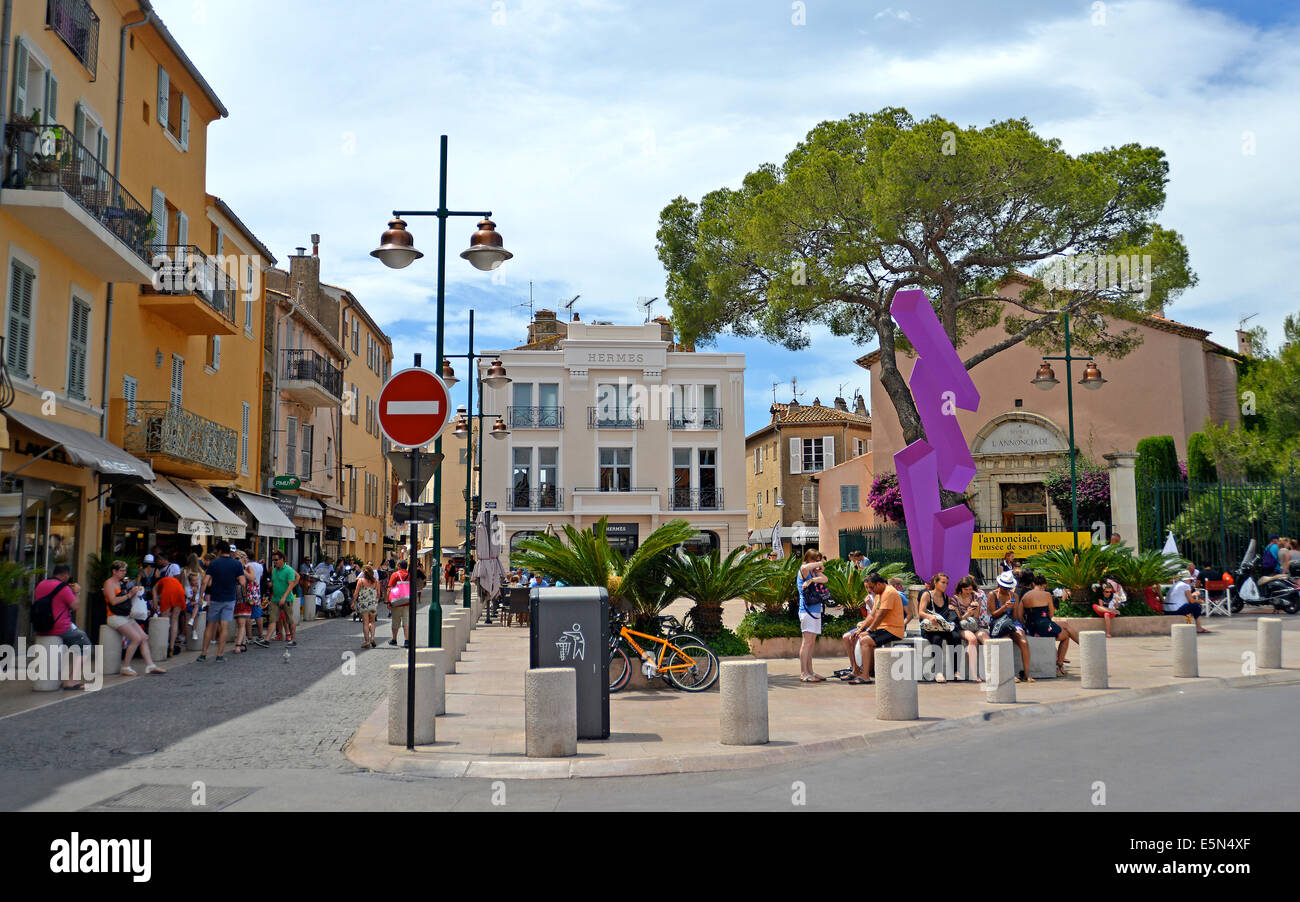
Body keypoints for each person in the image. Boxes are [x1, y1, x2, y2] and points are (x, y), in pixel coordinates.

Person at [34, 565, 93, 689]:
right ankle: (72, 681)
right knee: (85, 644)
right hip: (59, 627)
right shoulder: (63, 588)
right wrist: (77, 592)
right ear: (65, 575)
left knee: (69, 645)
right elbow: (75, 606)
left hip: (41, 627)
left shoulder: (40, 585)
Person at [102, 561, 165, 676]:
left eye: (124, 570)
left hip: (125, 615)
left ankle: (150, 665)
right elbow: (113, 601)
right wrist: (129, 595)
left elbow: (125, 599)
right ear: (114, 571)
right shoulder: (109, 583)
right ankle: (126, 666)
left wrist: (134, 594)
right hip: (114, 616)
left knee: (144, 637)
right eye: (121, 570)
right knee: (136, 638)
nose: (124, 573)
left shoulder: (122, 583)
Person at [1022, 572, 1078, 677]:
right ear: (1044, 585)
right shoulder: (1047, 595)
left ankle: (1082, 645)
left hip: (1031, 627)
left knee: (1065, 625)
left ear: (1034, 584)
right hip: (1043, 626)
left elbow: (1019, 615)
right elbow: (1051, 614)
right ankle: (1060, 665)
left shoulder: (1025, 596)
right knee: (1066, 636)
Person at [853, 572, 906, 682]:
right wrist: (860, 629)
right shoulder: (879, 593)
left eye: (871, 587)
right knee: (856, 636)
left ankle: (865, 675)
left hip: (893, 629)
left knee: (865, 641)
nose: (870, 590)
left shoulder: (889, 592)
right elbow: (872, 615)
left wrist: (869, 630)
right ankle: (860, 670)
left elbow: (881, 615)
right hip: (884, 628)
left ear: (879, 584)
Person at [198, 545, 246, 663]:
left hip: (215, 598)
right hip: (230, 598)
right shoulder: (236, 564)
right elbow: (243, 581)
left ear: (219, 551)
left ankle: (203, 654)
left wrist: (200, 596)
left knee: (210, 625)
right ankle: (219, 655)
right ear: (229, 552)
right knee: (224, 627)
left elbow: (205, 581)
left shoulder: (214, 563)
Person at [988, 571, 1032, 683]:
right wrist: (1004, 607)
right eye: (1004, 587)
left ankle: (1026, 674)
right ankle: (1009, 675)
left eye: (1008, 588)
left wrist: (1013, 607)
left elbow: (1015, 616)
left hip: (1011, 622)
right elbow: (993, 614)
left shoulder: (1014, 596)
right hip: (998, 622)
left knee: (1024, 642)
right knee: (1006, 640)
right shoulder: (992, 595)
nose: (1006, 590)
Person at [917, 572, 961, 682]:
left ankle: (956, 671)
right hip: (930, 628)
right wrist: (930, 616)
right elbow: (920, 612)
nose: (945, 585)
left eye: (946, 583)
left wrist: (952, 609)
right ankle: (938, 672)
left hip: (943, 627)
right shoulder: (927, 595)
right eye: (943, 582)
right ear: (935, 583)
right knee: (937, 640)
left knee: (956, 637)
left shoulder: (946, 597)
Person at [796, 549, 829, 682]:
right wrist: (818, 564)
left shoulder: (812, 572)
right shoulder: (803, 569)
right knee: (806, 642)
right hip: (806, 611)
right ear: (809, 558)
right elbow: (806, 566)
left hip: (815, 610)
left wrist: (812, 579)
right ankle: (804, 673)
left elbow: (825, 579)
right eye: (815, 559)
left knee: (811, 643)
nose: (817, 562)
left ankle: (811, 671)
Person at [954, 576, 988, 683]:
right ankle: (973, 674)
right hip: (962, 626)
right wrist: (967, 613)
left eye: (970, 589)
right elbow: (957, 619)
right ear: (961, 589)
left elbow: (976, 618)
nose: (968, 592)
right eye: (966, 589)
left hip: (974, 625)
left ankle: (992, 671)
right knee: (972, 639)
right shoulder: (955, 599)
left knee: (987, 640)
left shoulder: (975, 597)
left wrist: (976, 608)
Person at [152, 564, 187, 658]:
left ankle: (163, 645)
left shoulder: (157, 584)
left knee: (165, 620)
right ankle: (171, 647)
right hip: (180, 591)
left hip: (169, 591)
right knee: (174, 620)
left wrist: (155, 605)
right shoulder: (168, 579)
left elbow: (155, 597)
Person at [266, 550, 299, 646]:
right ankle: (267, 640)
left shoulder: (288, 570)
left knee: (289, 620)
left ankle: (293, 639)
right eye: (273, 560)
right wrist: (270, 584)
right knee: (272, 619)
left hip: (287, 599)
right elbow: (274, 581)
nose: (275, 562)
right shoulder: (274, 570)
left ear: (282, 560)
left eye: (276, 560)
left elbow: (290, 585)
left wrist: (284, 597)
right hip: (275, 598)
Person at [1164, 569, 1211, 633]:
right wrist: (1200, 601)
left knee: (1188, 606)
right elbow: (1191, 601)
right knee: (1196, 606)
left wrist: (1192, 595)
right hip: (1175, 610)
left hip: (1167, 610)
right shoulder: (1185, 585)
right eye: (1190, 580)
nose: (1190, 581)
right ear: (1186, 579)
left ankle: (1188, 623)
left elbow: (1182, 598)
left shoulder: (1175, 585)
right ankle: (1198, 627)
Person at [388, 559, 414, 648]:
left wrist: (388, 601)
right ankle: (406, 640)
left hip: (397, 601)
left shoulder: (395, 574)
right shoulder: (410, 575)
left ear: (398, 565)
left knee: (395, 621)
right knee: (406, 621)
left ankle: (394, 639)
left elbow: (390, 588)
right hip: (407, 601)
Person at [355, 563, 381, 649]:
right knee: (372, 622)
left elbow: (356, 593)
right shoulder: (376, 581)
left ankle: (367, 641)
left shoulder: (361, 581)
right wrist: (376, 601)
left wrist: (353, 602)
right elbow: (378, 593)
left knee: (365, 623)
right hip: (373, 603)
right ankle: (372, 638)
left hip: (363, 603)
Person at [183, 553, 204, 641]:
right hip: (193, 597)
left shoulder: (184, 571)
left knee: (186, 617)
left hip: (189, 598)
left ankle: (186, 635)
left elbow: (182, 584)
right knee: (195, 613)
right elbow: (203, 585)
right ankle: (193, 632)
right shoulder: (201, 572)